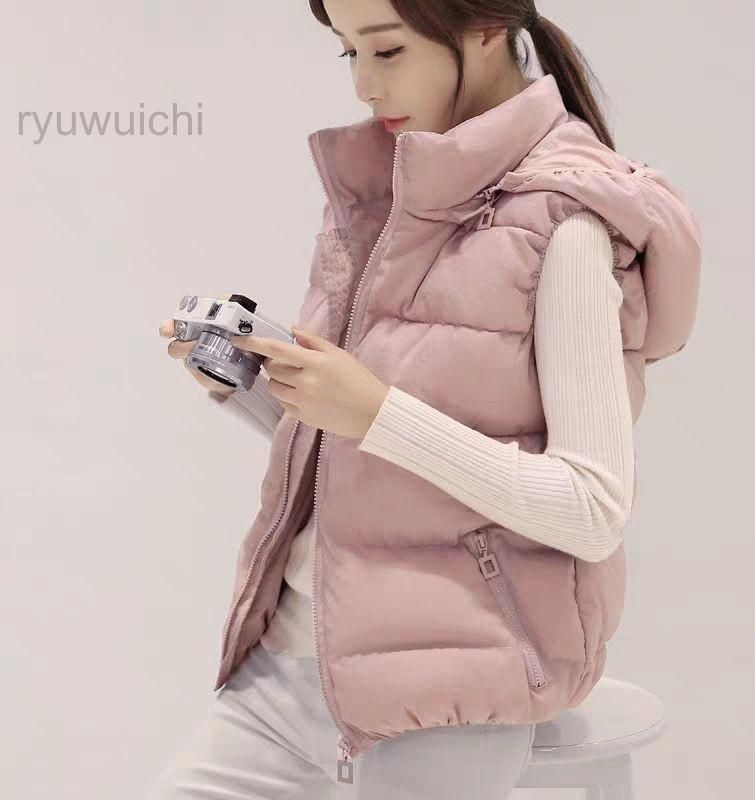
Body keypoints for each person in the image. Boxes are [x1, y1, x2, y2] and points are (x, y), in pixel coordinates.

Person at [151, 1, 701, 797]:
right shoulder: (383, 189)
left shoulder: (566, 222)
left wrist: (375, 412)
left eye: (387, 51)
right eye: (349, 54)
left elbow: (593, 507)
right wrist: (255, 386)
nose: (365, 86)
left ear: (484, 28)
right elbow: (366, 455)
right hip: (286, 670)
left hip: (444, 697)